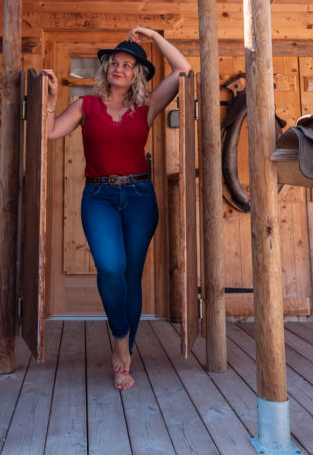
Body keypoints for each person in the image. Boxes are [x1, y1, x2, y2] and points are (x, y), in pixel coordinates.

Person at [43, 26, 191, 390]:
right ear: (106, 68)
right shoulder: (86, 105)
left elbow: (184, 70)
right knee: (111, 268)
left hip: (140, 196)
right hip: (99, 198)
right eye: (115, 63)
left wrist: (155, 37)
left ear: (137, 72)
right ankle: (121, 342)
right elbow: (50, 133)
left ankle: (124, 353)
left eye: (128, 64)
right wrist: (50, 99)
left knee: (131, 277)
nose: (119, 68)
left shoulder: (147, 106)